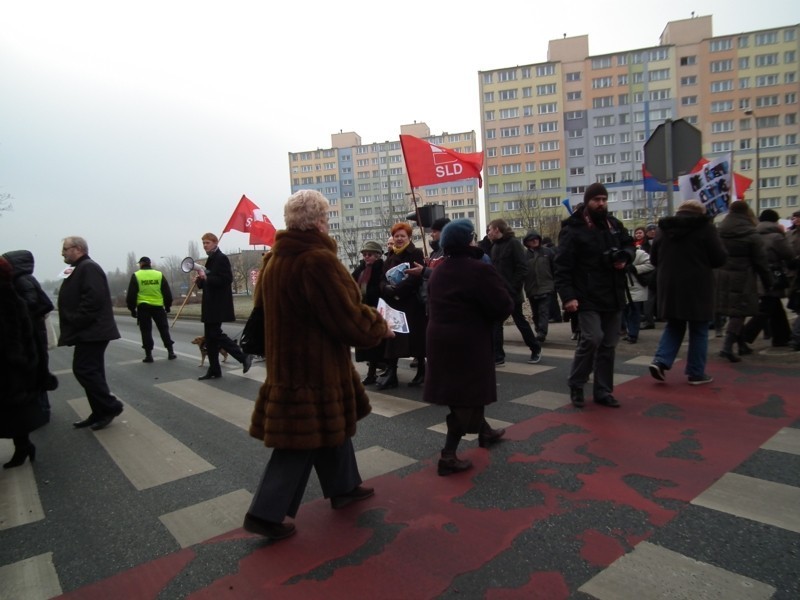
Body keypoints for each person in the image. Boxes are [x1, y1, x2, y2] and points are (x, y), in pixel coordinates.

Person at [244, 190, 393, 541]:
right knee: (298, 441)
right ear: (319, 222)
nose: (328, 224)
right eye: (326, 217)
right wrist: (378, 326)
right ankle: (265, 514)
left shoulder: (274, 260)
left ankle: (344, 487)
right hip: (314, 365)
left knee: (329, 425)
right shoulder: (316, 260)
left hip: (288, 363)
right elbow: (344, 316)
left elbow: (262, 312)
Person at [424, 219, 513, 475]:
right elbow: (502, 306)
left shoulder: (439, 270)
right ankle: (448, 456)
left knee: (462, 392)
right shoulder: (478, 269)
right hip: (468, 342)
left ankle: (485, 433)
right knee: (466, 397)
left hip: (439, 340)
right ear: (468, 240)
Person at [554, 183, 635, 408]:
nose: (601, 203)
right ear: (588, 201)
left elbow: (630, 245)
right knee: (592, 338)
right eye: (596, 199)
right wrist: (568, 297)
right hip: (586, 295)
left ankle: (603, 390)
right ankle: (577, 383)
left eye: (604, 199)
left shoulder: (614, 225)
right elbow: (562, 266)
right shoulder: (574, 228)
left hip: (613, 293)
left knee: (609, 345)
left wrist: (625, 257)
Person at [648, 200, 728, 385]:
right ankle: (696, 372)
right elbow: (719, 258)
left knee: (675, 325)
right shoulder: (705, 228)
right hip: (698, 285)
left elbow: (654, 259)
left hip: (670, 286)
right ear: (700, 213)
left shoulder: (663, 229)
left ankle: (660, 361)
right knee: (699, 329)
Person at [58, 236, 124, 430]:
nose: (62, 253)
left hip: (92, 330)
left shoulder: (88, 267)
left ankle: (110, 406)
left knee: (84, 369)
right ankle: (99, 411)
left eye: (65, 249)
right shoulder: (79, 268)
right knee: (91, 371)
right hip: (88, 331)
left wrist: (77, 319)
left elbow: (93, 299)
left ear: (78, 249)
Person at [0, 257, 50, 468]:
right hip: (15, 363)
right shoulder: (13, 293)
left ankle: (24, 446)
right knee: (12, 409)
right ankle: (24, 446)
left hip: (10, 364)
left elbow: (41, 306)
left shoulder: (11, 295)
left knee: (12, 407)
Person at [714, 201, 771, 362]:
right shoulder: (751, 233)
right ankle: (727, 347)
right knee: (739, 312)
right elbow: (761, 261)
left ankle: (741, 345)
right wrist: (768, 281)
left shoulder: (721, 231)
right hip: (743, 276)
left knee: (735, 310)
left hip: (723, 275)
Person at [194, 233, 253, 380]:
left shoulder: (221, 258)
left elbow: (226, 279)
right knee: (210, 338)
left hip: (218, 304)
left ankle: (243, 356)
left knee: (215, 334)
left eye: (207, 243)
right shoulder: (210, 260)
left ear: (215, 242)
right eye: (203, 243)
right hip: (210, 304)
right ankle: (214, 370)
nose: (205, 245)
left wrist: (207, 277)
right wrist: (200, 280)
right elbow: (207, 281)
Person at [376, 222, 426, 390]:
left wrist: (398, 290)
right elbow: (382, 279)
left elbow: (416, 277)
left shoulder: (416, 253)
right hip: (394, 305)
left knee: (416, 339)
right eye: (396, 236)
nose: (399, 239)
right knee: (394, 340)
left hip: (411, 304)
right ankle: (392, 374)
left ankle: (422, 371)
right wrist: (387, 289)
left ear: (408, 237)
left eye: (402, 236)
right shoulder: (390, 256)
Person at [487, 219, 541, 365]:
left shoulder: (513, 243)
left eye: (490, 229)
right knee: (496, 323)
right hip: (499, 293)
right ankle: (498, 356)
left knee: (520, 321)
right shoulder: (495, 247)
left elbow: (523, 268)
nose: (489, 233)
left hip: (512, 293)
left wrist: (512, 288)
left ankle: (535, 349)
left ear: (497, 229)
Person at [741, 209, 795, 348]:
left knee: (775, 307)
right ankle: (743, 335)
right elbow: (788, 254)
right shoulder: (776, 237)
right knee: (766, 308)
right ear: (775, 221)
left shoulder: (754, 235)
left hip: (757, 275)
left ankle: (782, 337)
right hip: (773, 276)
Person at [126, 256, 176, 363]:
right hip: (158, 307)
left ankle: (149, 355)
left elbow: (131, 295)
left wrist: (132, 309)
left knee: (146, 331)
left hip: (143, 308)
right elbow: (167, 293)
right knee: (164, 330)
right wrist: (167, 306)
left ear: (141, 264)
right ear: (150, 264)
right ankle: (171, 352)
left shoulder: (136, 275)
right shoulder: (159, 275)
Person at [351, 240, 386, 384]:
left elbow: (381, 287)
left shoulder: (381, 268)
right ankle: (375, 368)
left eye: (369, 254)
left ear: (377, 255)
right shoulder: (361, 269)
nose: (366, 257)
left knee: (376, 344)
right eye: (364, 254)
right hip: (363, 310)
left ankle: (373, 372)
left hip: (377, 310)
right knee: (367, 344)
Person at [522, 229, 556, 343]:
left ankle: (542, 332)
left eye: (536, 238)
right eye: (532, 239)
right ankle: (539, 330)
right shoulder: (524, 256)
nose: (535, 241)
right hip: (532, 288)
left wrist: (555, 283)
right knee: (535, 312)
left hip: (546, 286)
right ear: (527, 242)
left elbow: (555, 268)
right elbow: (522, 272)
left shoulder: (548, 252)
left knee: (543, 311)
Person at [622, 247, 654, 344]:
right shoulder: (617, 252)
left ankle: (633, 334)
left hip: (636, 287)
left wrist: (635, 268)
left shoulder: (639, 253)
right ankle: (629, 332)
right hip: (624, 287)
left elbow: (651, 264)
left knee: (634, 311)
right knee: (626, 311)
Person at [640, 224, 658, 329]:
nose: (652, 232)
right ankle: (649, 320)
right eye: (650, 230)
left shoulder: (662, 242)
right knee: (649, 299)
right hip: (650, 275)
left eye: (654, 230)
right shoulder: (644, 245)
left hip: (661, 273)